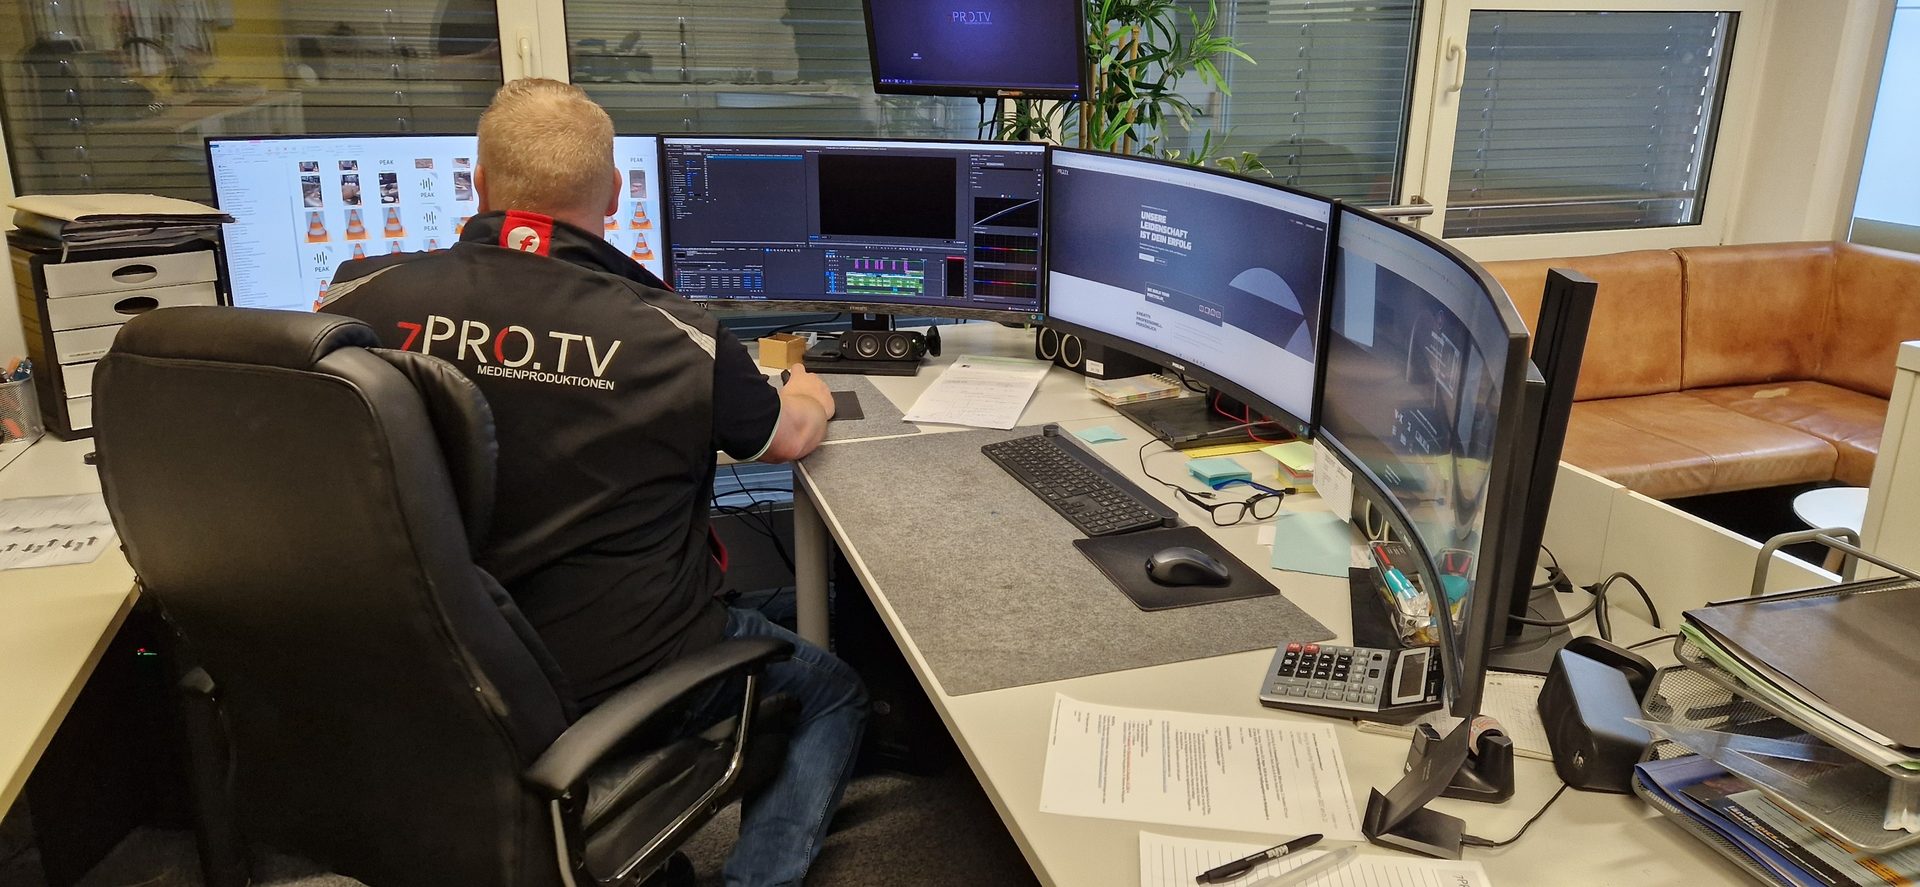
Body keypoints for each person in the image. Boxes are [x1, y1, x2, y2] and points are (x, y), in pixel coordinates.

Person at [320, 78, 864, 887]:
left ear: (478, 183)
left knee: (803, 602)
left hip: (439, 659)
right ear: (613, 193)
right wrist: (811, 392)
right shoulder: (670, 333)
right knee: (832, 688)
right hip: (617, 670)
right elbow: (784, 438)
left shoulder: (354, 299)